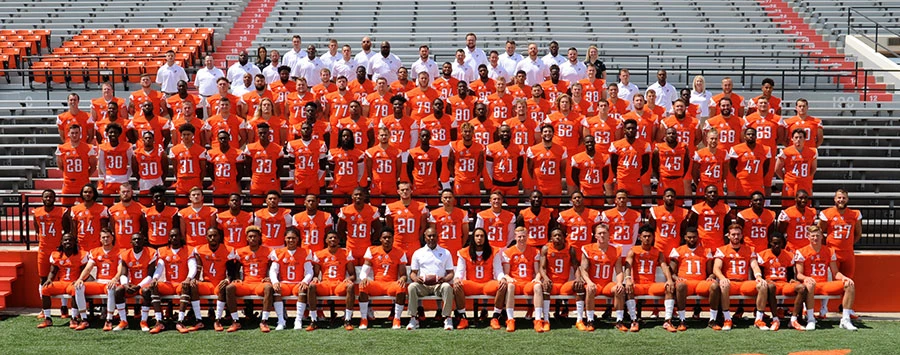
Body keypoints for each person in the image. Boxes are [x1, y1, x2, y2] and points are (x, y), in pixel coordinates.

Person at [794, 225, 858, 331]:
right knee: (810, 284)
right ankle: (811, 318)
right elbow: (799, 274)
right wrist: (806, 278)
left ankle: (845, 319)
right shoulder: (801, 252)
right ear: (808, 237)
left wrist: (844, 278)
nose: (815, 238)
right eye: (813, 236)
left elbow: (835, 273)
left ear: (822, 237)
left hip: (824, 283)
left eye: (818, 236)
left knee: (850, 284)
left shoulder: (829, 251)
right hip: (812, 284)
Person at [712, 224, 767, 331]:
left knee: (763, 285)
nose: (736, 237)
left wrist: (759, 276)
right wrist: (722, 278)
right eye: (733, 234)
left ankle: (759, 319)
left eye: (738, 234)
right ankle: (727, 319)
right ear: (728, 236)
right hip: (730, 282)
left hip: (744, 282)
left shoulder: (749, 249)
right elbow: (716, 268)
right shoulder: (722, 250)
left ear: (742, 236)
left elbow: (755, 265)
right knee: (723, 285)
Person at [623, 224, 675, 332]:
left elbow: (664, 266)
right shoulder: (634, 250)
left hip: (651, 285)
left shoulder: (657, 252)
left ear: (653, 237)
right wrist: (628, 279)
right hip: (638, 284)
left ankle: (667, 321)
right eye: (645, 236)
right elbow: (628, 265)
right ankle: (634, 320)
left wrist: (669, 280)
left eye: (649, 236)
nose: (647, 238)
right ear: (640, 237)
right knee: (628, 289)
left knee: (669, 287)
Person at [189, 227, 241, 332]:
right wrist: (195, 279)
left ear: (219, 237)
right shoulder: (199, 249)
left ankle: (217, 320)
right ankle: (198, 320)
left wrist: (227, 280)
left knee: (223, 286)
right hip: (207, 283)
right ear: (206, 237)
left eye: (215, 235)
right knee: (193, 285)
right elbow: (198, 268)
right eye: (210, 236)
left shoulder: (227, 250)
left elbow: (231, 270)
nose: (213, 238)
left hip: (219, 283)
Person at [668, 227, 720, 331]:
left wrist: (710, 277)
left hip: (701, 282)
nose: (692, 240)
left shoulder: (706, 251)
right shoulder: (678, 251)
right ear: (685, 237)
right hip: (686, 282)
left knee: (714, 286)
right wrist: (676, 278)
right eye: (690, 237)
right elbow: (671, 272)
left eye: (694, 237)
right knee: (681, 285)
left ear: (698, 237)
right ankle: (682, 320)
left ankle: (712, 319)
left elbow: (711, 272)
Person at [453, 227, 505, 330]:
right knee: (457, 285)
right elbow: (460, 270)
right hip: (472, 284)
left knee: (503, 285)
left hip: (487, 284)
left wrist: (502, 278)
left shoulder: (493, 251)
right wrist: (457, 278)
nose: (479, 238)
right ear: (473, 238)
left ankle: (495, 317)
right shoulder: (464, 252)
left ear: (485, 238)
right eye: (477, 236)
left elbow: (498, 270)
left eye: (482, 236)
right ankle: (463, 317)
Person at [307, 230, 358, 331]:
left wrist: (349, 279)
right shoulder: (319, 254)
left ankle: (347, 319)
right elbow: (316, 274)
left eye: (335, 237)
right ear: (326, 240)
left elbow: (353, 275)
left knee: (351, 286)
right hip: (325, 284)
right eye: (330, 238)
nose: (333, 239)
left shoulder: (346, 252)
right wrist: (315, 278)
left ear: (339, 240)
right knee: (312, 286)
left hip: (339, 284)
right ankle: (313, 320)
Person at [358, 229, 409, 330]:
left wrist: (403, 279)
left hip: (391, 284)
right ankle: (363, 318)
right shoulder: (372, 250)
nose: (387, 240)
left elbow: (403, 274)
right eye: (384, 238)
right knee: (363, 285)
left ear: (393, 239)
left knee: (401, 287)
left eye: (389, 237)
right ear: (380, 239)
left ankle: (397, 318)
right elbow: (364, 270)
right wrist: (364, 278)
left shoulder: (399, 252)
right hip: (377, 284)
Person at [72, 228, 121, 331]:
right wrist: (80, 279)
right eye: (103, 237)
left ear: (112, 238)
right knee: (78, 286)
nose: (106, 239)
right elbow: (88, 268)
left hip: (110, 282)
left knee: (111, 288)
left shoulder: (119, 251)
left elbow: (120, 269)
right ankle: (84, 319)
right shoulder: (95, 252)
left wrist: (115, 279)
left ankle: (109, 320)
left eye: (108, 237)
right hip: (99, 282)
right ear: (100, 239)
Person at [229, 226, 275, 332]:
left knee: (268, 287)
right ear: (246, 238)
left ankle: (264, 320)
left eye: (255, 236)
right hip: (246, 283)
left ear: (259, 237)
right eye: (250, 236)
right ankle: (235, 321)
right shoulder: (240, 251)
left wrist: (269, 277)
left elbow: (272, 267)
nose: (252, 239)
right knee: (230, 288)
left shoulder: (268, 251)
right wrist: (236, 278)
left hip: (260, 283)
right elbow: (236, 268)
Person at [114, 233, 163, 333]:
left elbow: (150, 274)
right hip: (131, 284)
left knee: (146, 291)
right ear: (131, 242)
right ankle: (123, 320)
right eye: (135, 239)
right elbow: (123, 272)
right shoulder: (125, 254)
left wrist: (139, 286)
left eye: (139, 239)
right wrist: (126, 284)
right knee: (118, 290)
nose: (137, 241)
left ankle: (143, 320)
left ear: (143, 241)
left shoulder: (151, 252)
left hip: (144, 284)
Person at [580, 224, 626, 331]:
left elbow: (619, 271)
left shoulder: (616, 250)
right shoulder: (588, 249)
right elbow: (583, 270)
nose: (602, 235)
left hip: (607, 283)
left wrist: (619, 282)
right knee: (590, 289)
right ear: (595, 235)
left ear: (609, 234)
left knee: (619, 289)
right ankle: (590, 320)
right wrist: (589, 282)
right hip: (593, 282)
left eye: (604, 233)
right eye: (599, 233)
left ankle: (619, 320)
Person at [37, 233, 88, 329]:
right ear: (61, 242)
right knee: (45, 289)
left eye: (70, 240)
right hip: (62, 282)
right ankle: (48, 318)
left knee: (75, 289)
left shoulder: (81, 255)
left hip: (73, 282)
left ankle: (74, 318)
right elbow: (53, 271)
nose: (67, 242)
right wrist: (49, 279)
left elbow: (84, 272)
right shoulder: (56, 255)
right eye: (65, 240)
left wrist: (79, 280)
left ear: (74, 242)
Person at [268, 227, 316, 330]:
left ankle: (298, 320)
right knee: (276, 289)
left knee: (303, 289)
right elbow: (273, 270)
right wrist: (275, 281)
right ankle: (281, 320)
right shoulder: (278, 252)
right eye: (289, 238)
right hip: (284, 283)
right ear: (284, 238)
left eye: (293, 238)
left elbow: (309, 271)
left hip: (298, 283)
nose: (291, 240)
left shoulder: (305, 252)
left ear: (298, 239)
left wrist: (304, 281)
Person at [756, 233, 804, 331]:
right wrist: (764, 280)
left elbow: (790, 274)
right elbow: (759, 274)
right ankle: (775, 318)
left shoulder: (789, 255)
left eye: (779, 243)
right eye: (775, 243)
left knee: (802, 288)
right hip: (770, 282)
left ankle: (793, 319)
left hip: (784, 283)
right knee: (771, 287)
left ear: (782, 243)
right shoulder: (763, 255)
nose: (777, 245)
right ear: (770, 243)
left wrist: (792, 280)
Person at [502, 227, 546, 332]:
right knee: (510, 286)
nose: (522, 239)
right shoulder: (509, 252)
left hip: (527, 283)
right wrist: (508, 278)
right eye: (519, 237)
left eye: (524, 236)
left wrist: (537, 278)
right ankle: (510, 319)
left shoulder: (534, 251)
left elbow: (537, 271)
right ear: (515, 237)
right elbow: (506, 273)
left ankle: (538, 320)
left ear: (527, 237)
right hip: (516, 282)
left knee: (538, 286)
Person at [156, 228, 200, 333]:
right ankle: (159, 321)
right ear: (169, 238)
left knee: (186, 286)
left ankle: (180, 321)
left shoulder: (188, 250)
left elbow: (192, 266)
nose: (174, 238)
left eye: (176, 235)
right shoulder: (163, 250)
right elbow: (159, 267)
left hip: (181, 283)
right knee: (153, 287)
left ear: (181, 237)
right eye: (172, 236)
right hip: (169, 283)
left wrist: (188, 278)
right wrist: (155, 278)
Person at [539, 229, 585, 330]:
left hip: (564, 284)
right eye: (555, 235)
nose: (557, 237)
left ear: (564, 238)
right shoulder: (546, 249)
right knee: (546, 286)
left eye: (560, 235)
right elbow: (542, 268)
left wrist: (578, 278)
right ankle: (546, 320)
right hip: (552, 284)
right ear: (551, 238)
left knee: (580, 286)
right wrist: (546, 278)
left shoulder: (570, 249)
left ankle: (579, 320)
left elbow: (576, 266)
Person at [818, 189, 862, 279]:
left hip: (848, 252)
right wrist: (827, 245)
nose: (841, 200)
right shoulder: (827, 213)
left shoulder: (855, 214)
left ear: (847, 199)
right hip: (833, 251)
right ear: (834, 199)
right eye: (839, 198)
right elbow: (819, 231)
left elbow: (858, 233)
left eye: (843, 198)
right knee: (835, 279)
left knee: (849, 279)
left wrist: (849, 243)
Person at [609, 119, 651, 206]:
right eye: (628, 128)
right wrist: (618, 175)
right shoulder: (617, 145)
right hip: (622, 180)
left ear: (636, 130)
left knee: (637, 206)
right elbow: (613, 164)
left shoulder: (644, 145)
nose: (631, 130)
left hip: (636, 181)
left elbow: (646, 165)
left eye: (633, 128)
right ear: (624, 130)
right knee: (621, 205)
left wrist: (637, 175)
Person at [33, 190, 67, 295]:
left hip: (57, 249)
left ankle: (63, 306)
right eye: (46, 197)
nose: (48, 199)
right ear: (42, 198)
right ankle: (44, 306)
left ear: (55, 198)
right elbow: (37, 229)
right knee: (43, 277)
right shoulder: (37, 212)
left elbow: (66, 229)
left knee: (61, 277)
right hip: (43, 249)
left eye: (51, 197)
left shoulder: (61, 211)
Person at [242, 122, 285, 204]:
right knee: (256, 207)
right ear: (257, 133)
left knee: (273, 206)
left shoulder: (277, 149)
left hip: (271, 181)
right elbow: (247, 166)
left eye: (265, 133)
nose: (263, 135)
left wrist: (274, 177)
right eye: (260, 133)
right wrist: (254, 176)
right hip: (257, 181)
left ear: (269, 133)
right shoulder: (250, 148)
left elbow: (280, 167)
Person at [385, 182, 430, 260]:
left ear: (411, 191)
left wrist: (416, 238)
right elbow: (389, 227)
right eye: (402, 190)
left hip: (414, 243)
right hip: (398, 243)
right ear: (398, 191)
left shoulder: (421, 207)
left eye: (407, 189)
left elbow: (423, 226)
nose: (405, 192)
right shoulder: (391, 207)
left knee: (415, 269)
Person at [337, 187, 383, 263]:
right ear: (352, 196)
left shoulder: (371, 210)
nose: (358, 196)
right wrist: (347, 240)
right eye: (356, 195)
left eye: (360, 195)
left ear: (364, 196)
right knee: (351, 271)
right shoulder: (346, 210)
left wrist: (371, 239)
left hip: (366, 246)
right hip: (351, 246)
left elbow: (378, 229)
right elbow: (340, 229)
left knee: (365, 271)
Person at [56, 124, 98, 205]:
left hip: (83, 183)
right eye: (72, 133)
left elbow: (93, 166)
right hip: (68, 184)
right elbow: (61, 166)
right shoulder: (62, 148)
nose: (74, 135)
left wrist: (85, 175)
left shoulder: (88, 148)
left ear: (80, 134)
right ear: (68, 134)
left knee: (86, 207)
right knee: (65, 209)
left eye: (76, 133)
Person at [527, 124, 568, 206]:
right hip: (539, 183)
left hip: (555, 184)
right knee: (540, 208)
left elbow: (562, 167)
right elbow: (530, 167)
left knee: (554, 209)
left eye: (550, 131)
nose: (547, 133)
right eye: (545, 131)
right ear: (541, 134)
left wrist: (557, 177)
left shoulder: (562, 149)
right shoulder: (533, 149)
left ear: (553, 134)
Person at [727, 128, 772, 202]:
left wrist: (757, 176)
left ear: (756, 136)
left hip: (757, 183)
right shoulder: (737, 149)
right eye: (748, 134)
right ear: (744, 136)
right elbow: (732, 167)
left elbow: (766, 168)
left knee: (758, 205)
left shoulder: (765, 149)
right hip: (743, 184)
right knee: (742, 206)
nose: (751, 136)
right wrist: (741, 177)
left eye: (753, 134)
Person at [287, 120, 327, 202]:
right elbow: (291, 163)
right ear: (300, 130)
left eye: (308, 128)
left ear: (312, 130)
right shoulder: (293, 144)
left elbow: (323, 164)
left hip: (313, 177)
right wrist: (294, 176)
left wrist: (317, 176)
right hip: (299, 177)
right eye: (304, 128)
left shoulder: (320, 144)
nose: (305, 130)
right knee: (299, 203)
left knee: (314, 202)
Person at [168, 124, 208, 206]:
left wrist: (199, 180)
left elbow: (203, 169)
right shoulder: (174, 150)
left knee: (197, 206)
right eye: (184, 135)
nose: (186, 137)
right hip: (181, 181)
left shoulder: (200, 150)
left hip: (195, 180)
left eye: (188, 134)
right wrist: (179, 177)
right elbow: (175, 168)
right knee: (180, 206)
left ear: (193, 135)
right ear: (181, 136)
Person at [448, 122, 484, 209]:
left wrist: (474, 176)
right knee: (457, 206)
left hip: (473, 181)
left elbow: (480, 164)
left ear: (473, 133)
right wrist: (456, 175)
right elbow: (450, 162)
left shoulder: (479, 147)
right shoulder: (455, 145)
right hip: (460, 181)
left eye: (469, 131)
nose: (467, 133)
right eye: (465, 131)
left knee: (476, 207)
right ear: (461, 132)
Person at [775, 128, 818, 201]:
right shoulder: (786, 152)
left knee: (805, 206)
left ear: (805, 139)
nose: (798, 139)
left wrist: (806, 178)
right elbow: (777, 169)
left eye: (801, 137)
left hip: (805, 184)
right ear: (792, 139)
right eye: (796, 137)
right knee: (789, 206)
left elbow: (813, 168)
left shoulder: (812, 152)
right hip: (790, 184)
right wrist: (787, 179)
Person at [205, 130, 245, 207]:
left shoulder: (237, 153)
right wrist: (216, 180)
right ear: (218, 140)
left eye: (225, 138)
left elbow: (240, 171)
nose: (223, 140)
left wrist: (233, 180)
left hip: (232, 185)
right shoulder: (211, 153)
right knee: (218, 208)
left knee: (233, 207)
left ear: (229, 139)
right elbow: (209, 170)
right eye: (221, 138)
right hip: (218, 185)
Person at [327, 129, 365, 206]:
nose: (346, 138)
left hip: (352, 185)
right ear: (340, 138)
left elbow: (361, 171)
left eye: (348, 136)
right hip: (339, 185)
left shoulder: (359, 153)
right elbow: (331, 169)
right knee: (336, 207)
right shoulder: (333, 152)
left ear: (351, 138)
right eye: (343, 136)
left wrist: (355, 181)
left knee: (354, 207)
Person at [429, 188, 470, 261]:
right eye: (445, 197)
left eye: (450, 197)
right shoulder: (434, 214)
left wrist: (460, 244)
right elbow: (432, 232)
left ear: (453, 199)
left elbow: (465, 233)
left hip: (456, 247)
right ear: (441, 199)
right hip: (441, 246)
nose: (447, 200)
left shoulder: (462, 213)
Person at [688, 185, 733, 249]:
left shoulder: (725, 208)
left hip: (719, 241)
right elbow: (691, 225)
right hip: (702, 241)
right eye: (710, 192)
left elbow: (728, 225)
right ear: (705, 195)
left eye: (715, 192)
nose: (713, 194)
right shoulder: (697, 208)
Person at [652, 127, 691, 199]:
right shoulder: (659, 148)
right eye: (669, 133)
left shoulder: (683, 147)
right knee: (661, 203)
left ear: (677, 135)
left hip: (678, 180)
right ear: (665, 135)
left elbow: (686, 163)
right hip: (664, 180)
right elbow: (654, 165)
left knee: (679, 203)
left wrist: (680, 174)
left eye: (673, 133)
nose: (671, 135)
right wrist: (660, 176)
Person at [406, 129, 443, 203]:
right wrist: (414, 181)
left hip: (432, 185)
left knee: (433, 207)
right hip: (419, 184)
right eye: (423, 136)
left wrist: (434, 179)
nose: (425, 138)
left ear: (430, 137)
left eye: (427, 136)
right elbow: (409, 169)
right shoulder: (413, 152)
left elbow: (439, 168)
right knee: (419, 208)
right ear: (419, 137)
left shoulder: (436, 152)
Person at [649, 188, 689, 257]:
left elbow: (683, 230)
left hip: (675, 247)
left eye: (672, 196)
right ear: (663, 198)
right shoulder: (655, 211)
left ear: (675, 198)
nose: (670, 198)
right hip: (659, 246)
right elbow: (652, 228)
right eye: (668, 196)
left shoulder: (683, 212)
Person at [68, 184, 108, 251]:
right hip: (81, 243)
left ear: (94, 194)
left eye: (90, 192)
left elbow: (103, 228)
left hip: (96, 243)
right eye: (85, 192)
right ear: (82, 193)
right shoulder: (75, 209)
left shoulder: (102, 208)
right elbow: (73, 230)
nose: (87, 194)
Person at [107, 183, 146, 249]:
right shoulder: (112, 210)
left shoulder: (140, 208)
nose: (125, 194)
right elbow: (112, 227)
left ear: (132, 192)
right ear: (119, 192)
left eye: (128, 191)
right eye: (123, 192)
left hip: (134, 246)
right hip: (118, 246)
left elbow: (144, 227)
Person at [603, 190, 642, 256]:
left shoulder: (635, 214)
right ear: (615, 200)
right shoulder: (607, 214)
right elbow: (605, 232)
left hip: (628, 245)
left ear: (627, 200)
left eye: (623, 198)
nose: (621, 200)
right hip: (613, 244)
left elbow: (635, 233)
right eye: (619, 198)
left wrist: (632, 246)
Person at [692, 129, 726, 196]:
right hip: (704, 183)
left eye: (716, 139)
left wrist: (720, 181)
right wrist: (699, 182)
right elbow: (694, 172)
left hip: (717, 183)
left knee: (719, 204)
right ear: (707, 139)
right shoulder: (699, 153)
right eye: (712, 139)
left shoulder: (724, 153)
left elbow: (725, 171)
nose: (713, 141)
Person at [133, 131, 168, 199]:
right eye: (146, 138)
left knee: (158, 203)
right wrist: (141, 179)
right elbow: (135, 171)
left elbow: (165, 169)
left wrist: (160, 179)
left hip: (157, 180)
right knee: (145, 204)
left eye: (150, 138)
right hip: (144, 182)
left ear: (153, 140)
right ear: (142, 140)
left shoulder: (160, 152)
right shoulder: (137, 153)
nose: (148, 139)